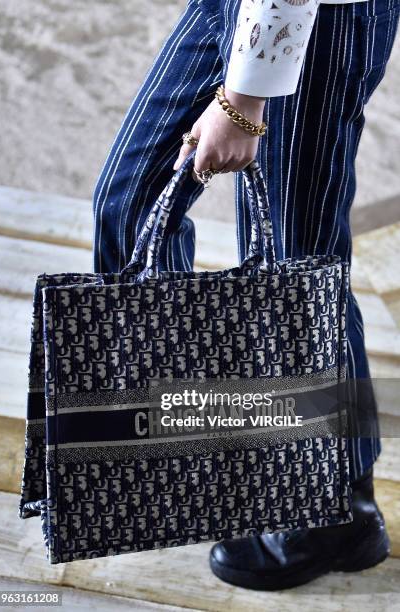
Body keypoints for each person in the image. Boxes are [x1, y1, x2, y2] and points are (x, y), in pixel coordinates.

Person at [92, 0, 400, 590]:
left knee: (295, 263)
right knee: (127, 202)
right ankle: (180, 450)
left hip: (316, 18)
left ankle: (335, 505)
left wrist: (244, 99)